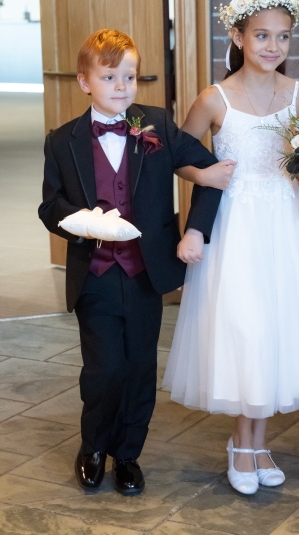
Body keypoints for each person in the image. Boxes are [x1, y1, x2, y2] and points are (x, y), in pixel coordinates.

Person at [163, 0, 299, 495]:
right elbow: (179, 155)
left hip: (287, 226)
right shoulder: (214, 98)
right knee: (245, 328)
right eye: (262, 36)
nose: (273, 46)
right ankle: (239, 444)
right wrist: (204, 177)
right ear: (238, 36)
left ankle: (260, 443)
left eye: (282, 37)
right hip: (238, 228)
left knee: (278, 329)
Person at [38, 29, 223, 496]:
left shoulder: (156, 124)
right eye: (109, 76)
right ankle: (94, 446)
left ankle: (127, 454)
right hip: (96, 275)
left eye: (129, 76)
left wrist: (195, 230)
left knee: (139, 367)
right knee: (104, 370)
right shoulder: (62, 141)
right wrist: (81, 222)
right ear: (84, 81)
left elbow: (212, 175)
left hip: (144, 274)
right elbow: (50, 207)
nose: (121, 86)